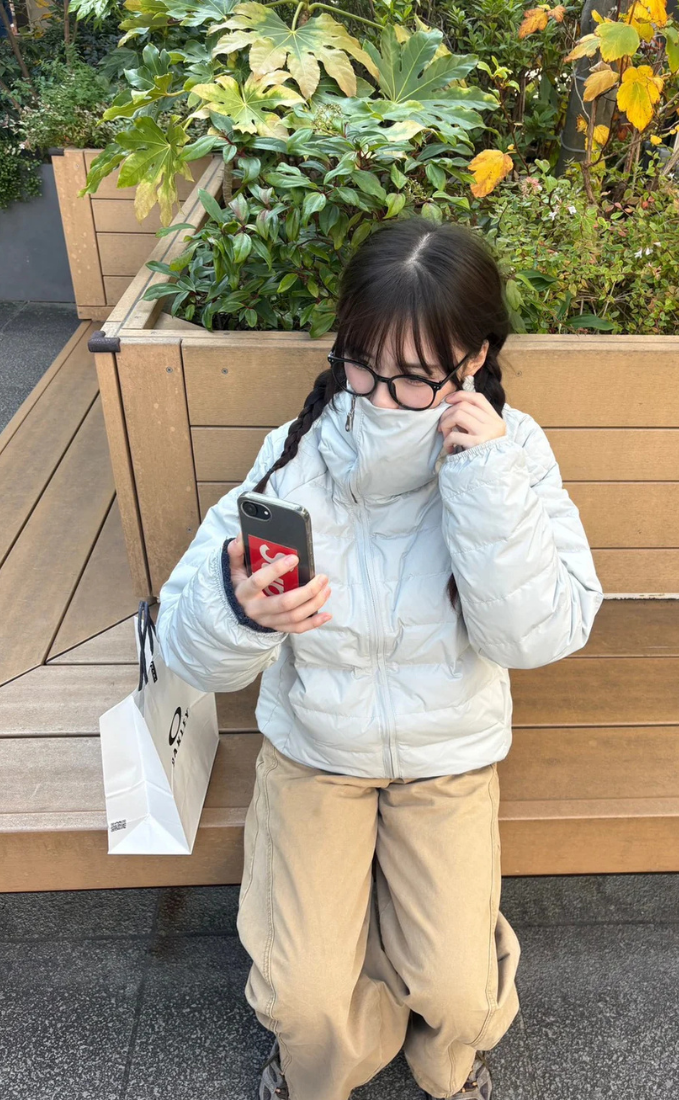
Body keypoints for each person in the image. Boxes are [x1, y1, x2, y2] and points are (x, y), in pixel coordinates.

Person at [155, 217, 604, 1100]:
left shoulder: (514, 453)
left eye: (416, 377)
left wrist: (482, 481)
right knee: (303, 996)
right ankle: (326, 1052)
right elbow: (185, 643)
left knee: (459, 992)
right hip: (318, 750)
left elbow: (539, 635)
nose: (382, 398)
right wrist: (241, 612)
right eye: (362, 364)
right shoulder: (298, 453)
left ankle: (446, 1059)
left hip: (448, 754)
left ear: (474, 358)